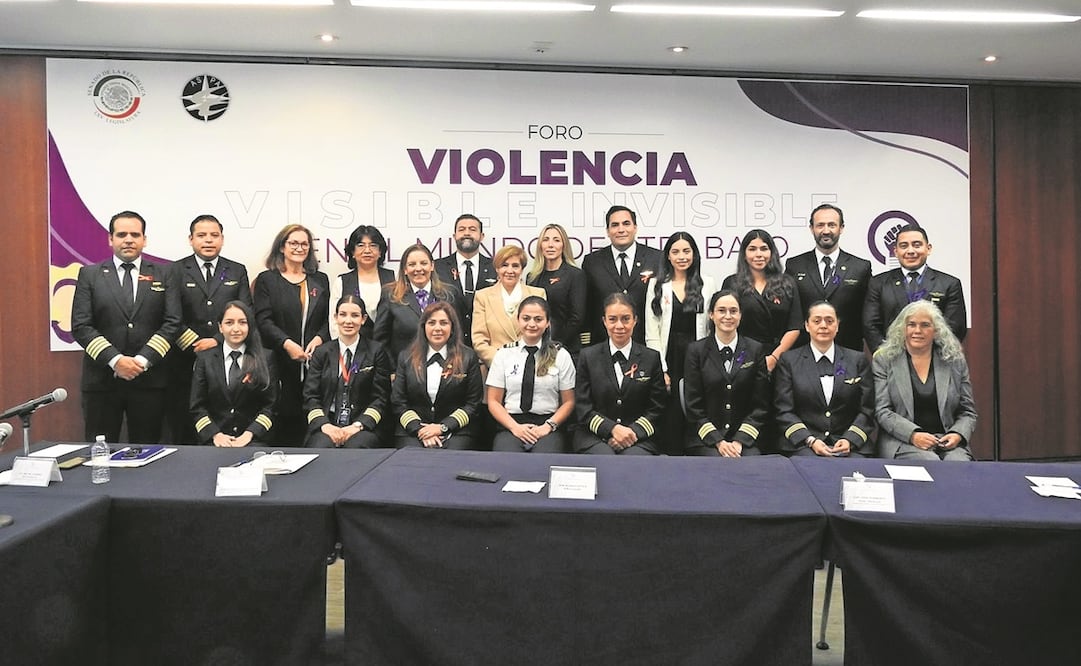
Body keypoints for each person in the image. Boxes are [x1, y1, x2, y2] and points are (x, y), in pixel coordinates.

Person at [71, 210, 180, 444]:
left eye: (135, 234)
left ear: (144, 239)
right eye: (121, 234)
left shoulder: (165, 273)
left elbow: (172, 323)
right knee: (100, 452)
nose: (128, 239)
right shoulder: (90, 275)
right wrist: (116, 361)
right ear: (110, 240)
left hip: (149, 381)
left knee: (147, 451)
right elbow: (81, 326)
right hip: (102, 381)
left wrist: (140, 362)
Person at [166, 214, 252, 445]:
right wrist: (197, 346)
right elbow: (172, 316)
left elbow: (246, 312)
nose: (208, 240)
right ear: (191, 239)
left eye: (214, 235)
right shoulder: (175, 270)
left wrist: (216, 340)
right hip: (184, 359)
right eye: (201, 235)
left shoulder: (236, 270)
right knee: (186, 420)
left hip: (226, 354)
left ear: (222, 239)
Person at [253, 224, 330, 445]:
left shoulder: (320, 279)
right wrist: (287, 344)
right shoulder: (268, 279)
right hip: (279, 362)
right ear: (282, 247)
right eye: (293, 243)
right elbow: (263, 320)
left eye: (304, 243)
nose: (299, 247)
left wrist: (319, 338)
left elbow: (329, 319)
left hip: (314, 362)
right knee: (284, 422)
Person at [873, 301, 977, 460]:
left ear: (936, 330)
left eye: (925, 325)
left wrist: (957, 434)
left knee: (957, 464)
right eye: (911, 325)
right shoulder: (884, 359)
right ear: (902, 328)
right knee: (929, 462)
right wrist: (914, 435)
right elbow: (883, 411)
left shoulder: (954, 360)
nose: (917, 331)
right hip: (902, 441)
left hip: (946, 440)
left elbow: (967, 411)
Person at [644, 232, 716, 455]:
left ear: (694, 254)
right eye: (675, 252)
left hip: (697, 356)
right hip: (668, 357)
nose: (681, 256)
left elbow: (710, 327)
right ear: (667, 256)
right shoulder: (657, 285)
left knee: (695, 406)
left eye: (686, 251)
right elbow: (651, 330)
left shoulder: (707, 284)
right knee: (671, 410)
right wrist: (660, 369)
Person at [774, 301, 874, 457]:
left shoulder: (857, 360)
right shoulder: (789, 361)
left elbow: (867, 409)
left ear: (837, 326)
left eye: (829, 321)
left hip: (849, 445)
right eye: (816, 321)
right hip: (804, 445)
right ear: (807, 326)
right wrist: (810, 440)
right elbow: (784, 410)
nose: (823, 325)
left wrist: (849, 439)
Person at [573, 293, 667, 455]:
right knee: (604, 459)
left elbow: (657, 407)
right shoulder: (588, 356)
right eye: (612, 319)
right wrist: (612, 430)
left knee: (634, 462)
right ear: (604, 321)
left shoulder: (651, 358)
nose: (619, 325)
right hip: (595, 437)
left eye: (625, 319)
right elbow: (583, 407)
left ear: (635, 320)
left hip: (639, 438)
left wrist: (631, 433)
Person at [682, 289, 770, 457]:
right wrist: (718, 441)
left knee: (753, 465)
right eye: (721, 311)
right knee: (715, 463)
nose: (728, 316)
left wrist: (739, 441)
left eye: (733, 311)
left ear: (740, 315)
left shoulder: (755, 350)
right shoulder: (696, 351)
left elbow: (760, 405)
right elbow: (693, 405)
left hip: (745, 440)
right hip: (705, 440)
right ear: (711, 315)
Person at [486, 297, 575, 453]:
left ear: (547, 322)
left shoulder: (561, 355)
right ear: (518, 320)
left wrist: (548, 426)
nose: (532, 324)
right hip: (511, 424)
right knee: (505, 461)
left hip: (548, 425)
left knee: (544, 462)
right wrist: (515, 428)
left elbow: (568, 402)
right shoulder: (504, 354)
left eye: (538, 319)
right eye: (526, 318)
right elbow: (493, 401)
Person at [303, 295, 393, 448]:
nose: (348, 321)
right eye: (343, 315)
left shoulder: (376, 351)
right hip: (327, 423)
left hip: (362, 425)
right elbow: (310, 396)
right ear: (335, 317)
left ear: (363, 319)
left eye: (355, 315)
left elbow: (381, 398)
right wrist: (325, 426)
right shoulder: (322, 352)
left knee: (356, 447)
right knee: (320, 447)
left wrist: (357, 426)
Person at [391, 301, 483, 450]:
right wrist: (421, 430)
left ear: (452, 327)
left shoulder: (468, 357)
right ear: (423, 327)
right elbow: (398, 402)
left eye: (444, 323)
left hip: (457, 431)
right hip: (413, 430)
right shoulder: (406, 357)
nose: (437, 328)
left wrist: (443, 427)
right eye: (432, 323)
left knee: (451, 458)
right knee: (412, 458)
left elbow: (473, 403)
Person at [864, 223, 967, 350]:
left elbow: (955, 328)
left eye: (917, 245)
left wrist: (927, 357)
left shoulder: (949, 284)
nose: (911, 251)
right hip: (891, 362)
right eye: (904, 246)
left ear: (928, 248)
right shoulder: (878, 283)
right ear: (896, 252)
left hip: (935, 363)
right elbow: (870, 325)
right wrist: (886, 357)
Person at [783, 204, 871, 351]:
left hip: (848, 351)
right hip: (803, 353)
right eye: (820, 225)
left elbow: (867, 315)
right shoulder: (794, 265)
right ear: (811, 228)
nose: (826, 231)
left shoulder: (860, 267)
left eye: (831, 225)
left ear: (841, 228)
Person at [190, 300, 277, 446]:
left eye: (242, 322)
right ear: (220, 327)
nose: (236, 328)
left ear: (249, 326)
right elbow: (197, 407)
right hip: (214, 441)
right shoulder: (205, 359)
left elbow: (271, 406)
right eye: (229, 323)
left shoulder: (265, 358)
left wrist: (249, 435)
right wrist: (215, 435)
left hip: (253, 440)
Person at [581, 205, 662, 347]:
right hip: (603, 346)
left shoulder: (656, 258)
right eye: (615, 225)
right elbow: (587, 309)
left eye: (626, 223)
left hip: (646, 344)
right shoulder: (592, 262)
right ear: (607, 231)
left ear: (635, 227)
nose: (621, 230)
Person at [721, 229, 801, 373]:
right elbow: (726, 324)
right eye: (752, 249)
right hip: (744, 358)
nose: (758, 254)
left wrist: (774, 358)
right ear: (744, 254)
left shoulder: (787, 283)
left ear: (772, 253)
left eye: (764, 249)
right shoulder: (732, 283)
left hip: (782, 358)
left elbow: (794, 327)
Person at [374, 243, 463, 362]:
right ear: (405, 269)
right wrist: (392, 371)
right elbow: (381, 340)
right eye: (412, 264)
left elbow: (458, 334)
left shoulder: (450, 294)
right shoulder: (390, 295)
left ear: (432, 266)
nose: (418, 269)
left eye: (424, 263)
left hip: (444, 369)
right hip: (403, 371)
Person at [471, 244, 546, 369]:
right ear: (497, 269)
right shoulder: (483, 296)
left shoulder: (538, 294)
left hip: (531, 366)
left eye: (515, 266)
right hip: (496, 368)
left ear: (522, 269)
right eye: (504, 265)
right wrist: (501, 362)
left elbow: (543, 333)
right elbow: (479, 340)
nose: (510, 271)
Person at [434, 214, 496, 349]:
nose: (467, 233)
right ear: (454, 236)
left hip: (487, 347)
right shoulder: (438, 267)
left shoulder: (495, 267)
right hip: (448, 346)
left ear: (482, 236)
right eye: (461, 229)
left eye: (472, 229)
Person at [526, 223, 587, 357]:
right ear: (540, 245)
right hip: (537, 349)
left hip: (567, 348)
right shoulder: (532, 278)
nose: (550, 245)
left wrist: (555, 344)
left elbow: (577, 317)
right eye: (546, 240)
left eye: (556, 240)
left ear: (563, 245)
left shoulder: (575, 275)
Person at [329, 225, 395, 340]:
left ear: (380, 252)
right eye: (361, 245)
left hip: (388, 350)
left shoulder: (394, 278)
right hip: (353, 349)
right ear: (353, 252)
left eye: (373, 245)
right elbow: (334, 323)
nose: (367, 250)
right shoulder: (342, 282)